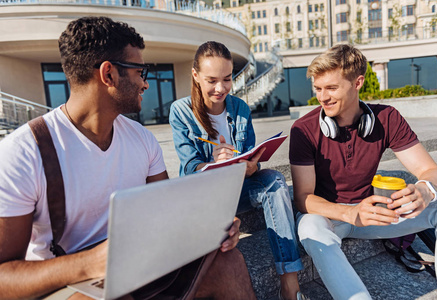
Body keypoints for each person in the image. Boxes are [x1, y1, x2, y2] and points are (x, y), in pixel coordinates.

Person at [0, 16, 256, 299]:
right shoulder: (24, 152)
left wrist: (212, 226)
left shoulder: (142, 139)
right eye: (140, 72)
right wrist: (89, 264)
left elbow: (170, 212)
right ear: (108, 74)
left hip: (141, 263)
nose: (145, 84)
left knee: (227, 262)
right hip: (67, 282)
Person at [289, 43, 437, 300]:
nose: (322, 97)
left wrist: (425, 189)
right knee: (309, 226)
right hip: (330, 216)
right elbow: (303, 198)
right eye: (318, 88)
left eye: (331, 88)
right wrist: (349, 212)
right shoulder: (303, 129)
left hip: (372, 214)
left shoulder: (388, 118)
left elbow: (432, 171)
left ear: (358, 82)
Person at [169, 41, 305, 300]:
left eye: (227, 79)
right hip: (204, 194)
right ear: (196, 76)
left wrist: (252, 166)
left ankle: (290, 284)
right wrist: (213, 162)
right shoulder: (181, 111)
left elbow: (252, 157)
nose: (220, 88)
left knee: (275, 181)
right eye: (211, 80)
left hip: (238, 188)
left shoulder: (240, 108)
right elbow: (189, 168)